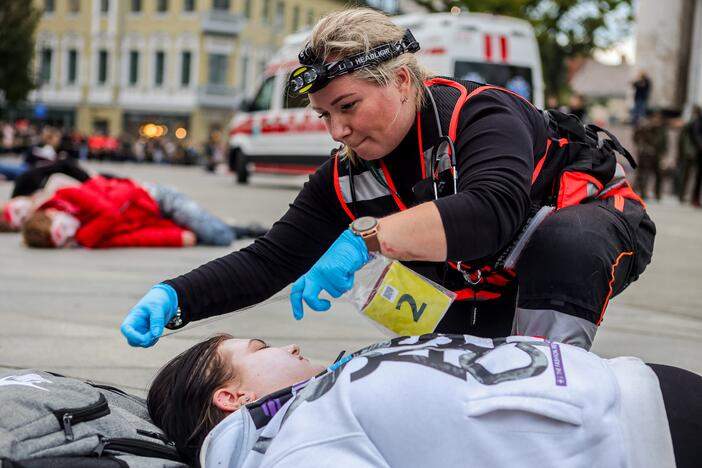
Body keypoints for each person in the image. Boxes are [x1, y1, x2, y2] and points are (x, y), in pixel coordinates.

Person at [121, 8, 654, 351]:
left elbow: (492, 212)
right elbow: (273, 259)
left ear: (401, 80)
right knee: (451, 369)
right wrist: (175, 297)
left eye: (347, 106)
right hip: (485, 274)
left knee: (565, 247)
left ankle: (553, 386)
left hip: (582, 227)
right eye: (324, 116)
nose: (338, 129)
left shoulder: (481, 114)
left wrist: (366, 240)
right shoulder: (348, 173)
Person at [148, 333, 701, 468]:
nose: (288, 345)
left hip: (630, 394)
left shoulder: (308, 409)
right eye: (261, 347)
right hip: (638, 435)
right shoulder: (296, 445)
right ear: (231, 395)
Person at [17, 175, 266, 248]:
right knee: (214, 235)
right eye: (64, 239)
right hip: (153, 220)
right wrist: (175, 238)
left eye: (62, 228)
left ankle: (245, 229)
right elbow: (130, 238)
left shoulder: (68, 196)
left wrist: (85, 236)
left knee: (216, 235)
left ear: (51, 214)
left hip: (157, 198)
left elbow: (115, 207)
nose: (71, 233)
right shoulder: (89, 237)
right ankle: (242, 229)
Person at [633, 109, 668, 200]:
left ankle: (658, 194)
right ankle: (643, 193)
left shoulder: (661, 129)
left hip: (657, 155)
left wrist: (664, 153)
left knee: (659, 175)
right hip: (646, 154)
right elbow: (636, 138)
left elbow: (664, 142)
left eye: (659, 119)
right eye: (655, 118)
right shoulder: (645, 127)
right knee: (644, 174)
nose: (657, 121)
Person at [689, 106, 702, 207]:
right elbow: (696, 135)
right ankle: (695, 199)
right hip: (699, 154)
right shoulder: (698, 121)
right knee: (698, 177)